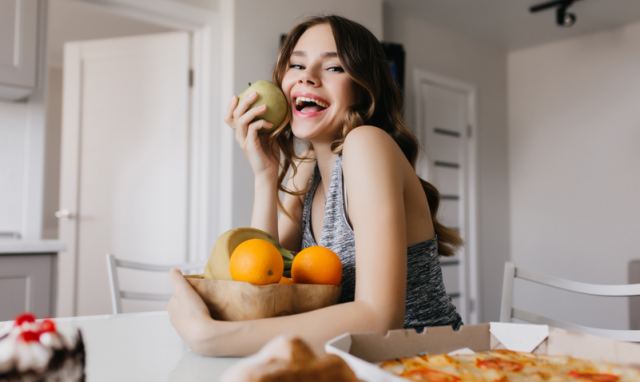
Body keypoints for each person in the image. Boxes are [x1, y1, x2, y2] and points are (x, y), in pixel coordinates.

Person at [167, 14, 463, 357]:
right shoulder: (307, 169)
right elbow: (264, 282)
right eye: (296, 65)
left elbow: (381, 317)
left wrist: (214, 337)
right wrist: (265, 176)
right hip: (354, 362)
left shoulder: (368, 144)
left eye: (334, 68)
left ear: (363, 89)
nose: (307, 76)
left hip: (432, 364)